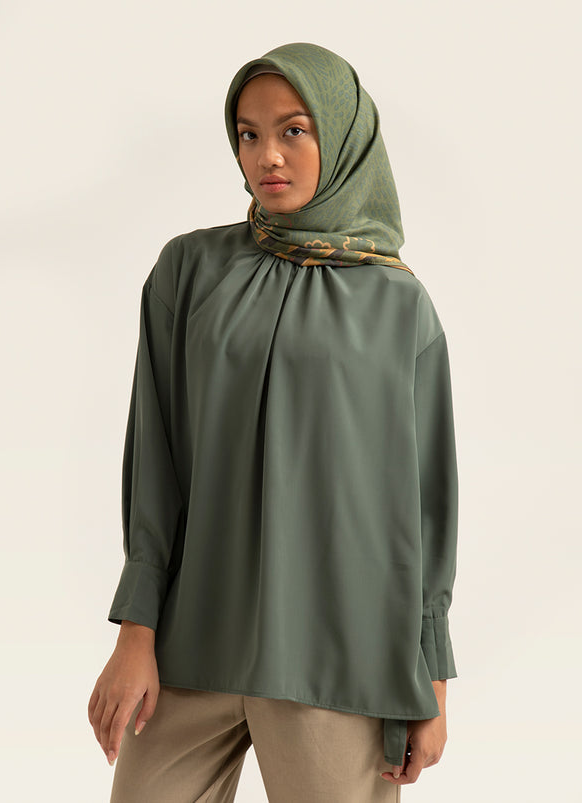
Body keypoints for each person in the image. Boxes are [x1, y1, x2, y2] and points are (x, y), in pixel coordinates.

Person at [88, 41, 459, 802]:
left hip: (337, 660)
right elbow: (157, 461)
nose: (268, 156)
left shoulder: (399, 306)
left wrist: (431, 677)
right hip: (191, 648)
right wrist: (136, 631)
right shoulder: (188, 271)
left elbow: (425, 504)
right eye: (249, 134)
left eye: (294, 130)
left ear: (342, 134)